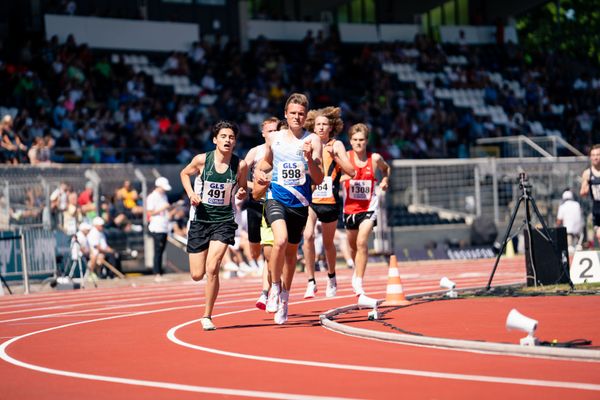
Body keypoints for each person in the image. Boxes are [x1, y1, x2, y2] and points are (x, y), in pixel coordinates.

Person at [255, 93, 323, 324]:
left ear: (306, 117)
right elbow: (266, 163)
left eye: (301, 114)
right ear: (286, 114)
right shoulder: (274, 138)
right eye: (293, 113)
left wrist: (309, 159)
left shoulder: (312, 140)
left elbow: (318, 178)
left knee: (292, 254)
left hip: (300, 203)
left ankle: (285, 297)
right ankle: (274, 287)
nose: (297, 117)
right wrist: (258, 175)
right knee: (280, 241)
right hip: (276, 198)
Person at [180, 120, 248, 331]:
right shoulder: (202, 160)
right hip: (200, 220)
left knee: (213, 268)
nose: (228, 140)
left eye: (231, 137)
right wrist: (191, 193)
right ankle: (204, 258)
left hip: (224, 220)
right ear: (215, 140)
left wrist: (242, 192)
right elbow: (184, 174)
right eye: (224, 137)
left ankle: (207, 315)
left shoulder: (240, 165)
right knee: (197, 274)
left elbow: (242, 188)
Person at [302, 106, 355, 298]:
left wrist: (335, 157)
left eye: (325, 124)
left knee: (327, 243)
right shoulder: (307, 142)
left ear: (331, 127)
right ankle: (310, 281)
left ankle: (331, 277)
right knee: (307, 235)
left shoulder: (337, 145)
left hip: (330, 200)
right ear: (313, 127)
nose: (322, 128)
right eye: (318, 125)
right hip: (310, 199)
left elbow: (351, 171)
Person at [341, 123, 390, 300]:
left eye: (361, 140)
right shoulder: (345, 157)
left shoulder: (375, 159)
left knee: (362, 242)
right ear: (350, 141)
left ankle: (358, 280)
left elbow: (386, 169)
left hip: (369, 207)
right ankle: (357, 270)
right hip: (349, 209)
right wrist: (342, 178)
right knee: (353, 245)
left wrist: (385, 181)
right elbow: (332, 176)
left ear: (367, 141)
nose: (358, 143)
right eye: (355, 140)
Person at [244, 117, 279, 308]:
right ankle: (270, 287)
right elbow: (241, 170)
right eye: (270, 131)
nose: (273, 134)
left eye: (276, 130)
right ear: (263, 133)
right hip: (256, 203)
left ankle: (267, 292)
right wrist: (252, 185)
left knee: (270, 252)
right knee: (255, 252)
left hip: (275, 204)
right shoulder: (255, 151)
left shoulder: (283, 149)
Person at [147, 176, 176, 282]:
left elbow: (165, 213)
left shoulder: (163, 196)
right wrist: (163, 208)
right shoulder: (152, 197)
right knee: (158, 251)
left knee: (161, 250)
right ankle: (157, 273)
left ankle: (160, 272)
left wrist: (171, 211)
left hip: (164, 226)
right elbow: (149, 212)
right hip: (156, 227)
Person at [580, 144, 600, 247]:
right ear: (590, 157)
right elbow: (583, 193)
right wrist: (586, 184)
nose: (596, 157)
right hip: (597, 210)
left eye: (598, 154)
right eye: (593, 155)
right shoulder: (587, 173)